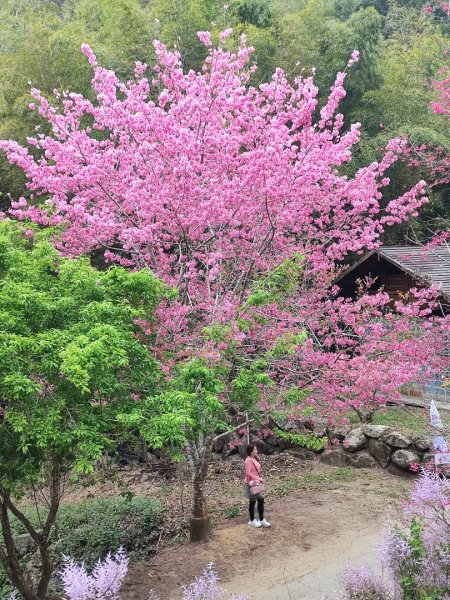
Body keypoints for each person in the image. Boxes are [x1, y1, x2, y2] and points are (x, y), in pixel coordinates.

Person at [244, 444, 270, 528]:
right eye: (255, 450)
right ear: (251, 452)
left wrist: (258, 478)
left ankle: (262, 519)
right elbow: (248, 473)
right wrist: (258, 478)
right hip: (251, 483)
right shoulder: (248, 460)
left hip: (257, 482)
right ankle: (252, 520)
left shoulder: (255, 458)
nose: (256, 451)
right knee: (252, 502)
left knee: (261, 500)